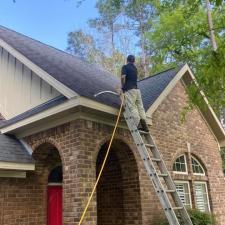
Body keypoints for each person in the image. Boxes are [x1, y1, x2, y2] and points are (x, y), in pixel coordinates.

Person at [121, 55, 149, 132]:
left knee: (132, 107)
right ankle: (144, 125)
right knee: (140, 107)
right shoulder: (135, 69)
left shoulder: (125, 67)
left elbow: (123, 77)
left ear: (127, 60)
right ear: (134, 61)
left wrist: (123, 86)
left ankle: (138, 124)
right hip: (137, 91)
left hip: (130, 90)